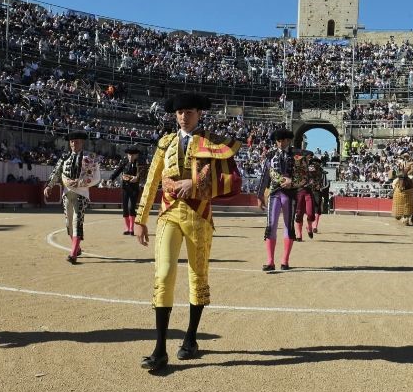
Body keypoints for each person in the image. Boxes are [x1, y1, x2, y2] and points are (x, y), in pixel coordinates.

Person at [133, 93, 241, 371]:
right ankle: (159, 349)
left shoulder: (213, 143)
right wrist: (140, 218)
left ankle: (190, 338)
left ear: (199, 114)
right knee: (163, 275)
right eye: (180, 112)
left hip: (199, 215)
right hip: (168, 213)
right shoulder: (165, 142)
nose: (184, 116)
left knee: (197, 276)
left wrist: (194, 184)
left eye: (189, 112)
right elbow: (152, 179)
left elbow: (231, 180)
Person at [44, 132, 101, 264]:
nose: (74, 144)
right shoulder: (64, 157)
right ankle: (77, 248)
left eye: (77, 141)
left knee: (77, 221)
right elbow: (56, 172)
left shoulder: (90, 157)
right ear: (69, 143)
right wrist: (49, 186)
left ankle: (73, 253)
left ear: (82, 143)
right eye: (72, 141)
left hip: (81, 194)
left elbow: (96, 178)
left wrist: (80, 183)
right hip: (67, 194)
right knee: (69, 223)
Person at [257, 129, 297, 270]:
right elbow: (265, 176)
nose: (280, 143)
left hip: (290, 194)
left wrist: (292, 181)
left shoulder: (297, 155)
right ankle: (270, 261)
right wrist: (260, 195)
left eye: (283, 140)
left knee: (288, 226)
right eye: (278, 141)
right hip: (274, 193)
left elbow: (304, 176)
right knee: (271, 225)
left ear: (288, 140)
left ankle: (285, 261)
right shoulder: (270, 155)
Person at [109, 146, 146, 235]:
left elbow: (142, 174)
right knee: (125, 208)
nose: (130, 157)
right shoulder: (124, 162)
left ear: (136, 155)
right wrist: (111, 179)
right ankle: (127, 228)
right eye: (129, 155)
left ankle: (131, 229)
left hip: (134, 188)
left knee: (131, 208)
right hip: (125, 188)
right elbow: (118, 170)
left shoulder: (140, 163)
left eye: (132, 155)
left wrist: (137, 178)